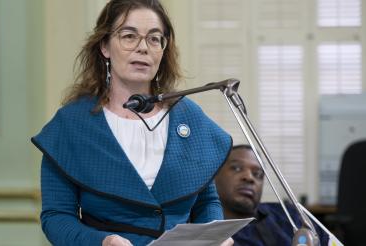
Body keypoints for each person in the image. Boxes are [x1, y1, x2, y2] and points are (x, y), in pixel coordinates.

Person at [31, 0, 233, 245]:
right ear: (105, 46)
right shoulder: (71, 124)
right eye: (129, 36)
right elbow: (56, 216)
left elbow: (206, 202)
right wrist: (102, 242)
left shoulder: (189, 116)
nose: (143, 48)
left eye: (154, 38)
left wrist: (215, 237)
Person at [214, 144, 330, 246]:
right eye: (237, 168)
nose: (249, 178)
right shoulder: (207, 233)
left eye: (257, 174)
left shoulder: (290, 215)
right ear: (214, 176)